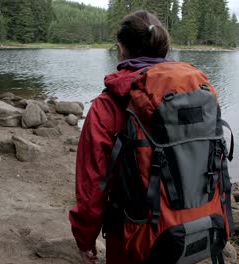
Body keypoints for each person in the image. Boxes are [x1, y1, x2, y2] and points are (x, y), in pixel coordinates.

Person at [69, 10, 171, 264]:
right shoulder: (190, 92)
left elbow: (92, 184)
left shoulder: (108, 105)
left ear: (121, 49)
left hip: (131, 234)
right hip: (189, 225)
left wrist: (85, 238)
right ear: (164, 50)